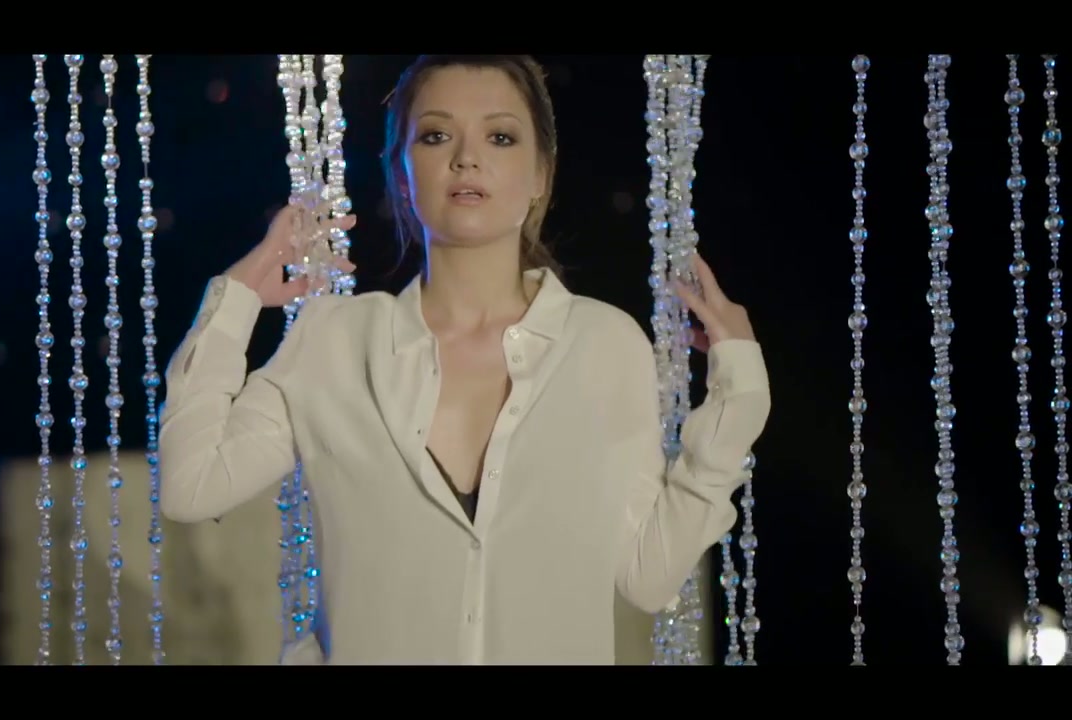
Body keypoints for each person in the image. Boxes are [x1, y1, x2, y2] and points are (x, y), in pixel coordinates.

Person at [158, 54, 770, 665]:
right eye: (436, 135)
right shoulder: (333, 341)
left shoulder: (604, 345)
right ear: (401, 173)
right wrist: (233, 300)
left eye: (500, 137)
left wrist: (740, 392)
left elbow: (648, 575)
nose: (466, 159)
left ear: (541, 174)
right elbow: (192, 486)